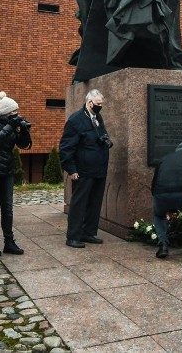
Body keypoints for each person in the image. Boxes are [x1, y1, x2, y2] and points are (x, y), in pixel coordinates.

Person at [0, 91, 32, 257]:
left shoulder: (11, 124)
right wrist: (11, 126)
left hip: (7, 171)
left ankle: (9, 242)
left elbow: (23, 145)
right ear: (6, 113)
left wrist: (23, 131)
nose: (16, 115)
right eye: (14, 113)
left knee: (8, 209)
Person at [59, 89, 111, 248]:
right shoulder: (76, 119)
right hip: (82, 170)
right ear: (89, 103)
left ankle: (88, 233)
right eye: (98, 104)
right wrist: (71, 169)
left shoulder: (97, 117)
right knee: (79, 204)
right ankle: (73, 236)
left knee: (94, 203)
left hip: (98, 169)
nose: (100, 106)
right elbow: (66, 147)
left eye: (101, 104)